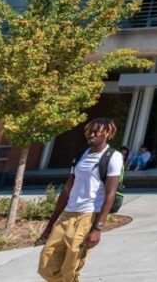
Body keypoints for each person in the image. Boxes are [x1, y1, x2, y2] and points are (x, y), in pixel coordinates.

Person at [37, 118, 123, 282]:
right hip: (68, 213)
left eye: (96, 131)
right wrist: (50, 225)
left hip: (88, 215)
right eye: (89, 131)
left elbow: (110, 193)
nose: (91, 134)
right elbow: (68, 188)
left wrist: (98, 228)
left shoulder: (113, 157)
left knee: (71, 268)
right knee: (46, 265)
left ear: (106, 134)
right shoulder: (80, 156)